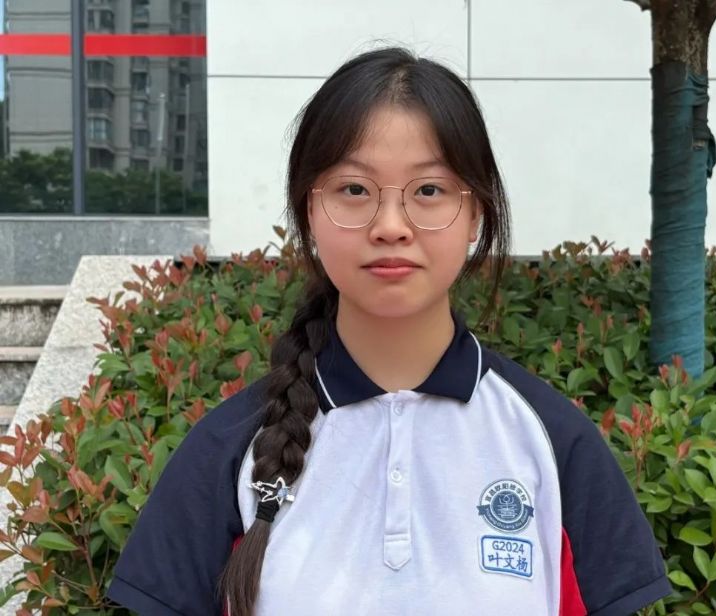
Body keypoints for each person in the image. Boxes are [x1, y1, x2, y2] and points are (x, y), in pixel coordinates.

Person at [106, 47, 672, 616]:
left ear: (476, 214)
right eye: (354, 190)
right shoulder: (227, 450)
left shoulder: (552, 442)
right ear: (308, 212)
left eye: (429, 190)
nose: (391, 226)